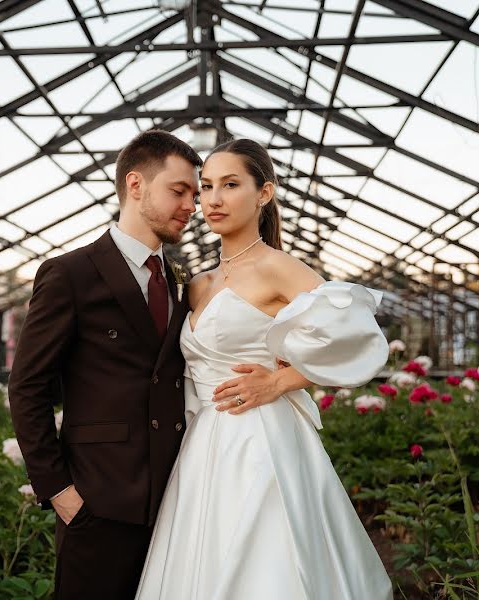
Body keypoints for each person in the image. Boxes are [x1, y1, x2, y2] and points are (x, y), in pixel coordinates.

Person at [8, 131, 277, 599]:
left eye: (197, 193)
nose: (194, 205)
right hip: (98, 503)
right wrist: (60, 493)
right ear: (135, 185)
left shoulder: (177, 282)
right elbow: (27, 388)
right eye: (180, 191)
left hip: (178, 503)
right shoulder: (70, 274)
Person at [135, 139, 393, 599]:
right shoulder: (195, 284)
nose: (212, 199)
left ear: (264, 193)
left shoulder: (279, 267)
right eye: (206, 186)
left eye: (231, 185)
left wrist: (282, 380)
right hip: (200, 448)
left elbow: (359, 335)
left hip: (262, 443)